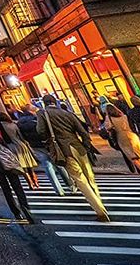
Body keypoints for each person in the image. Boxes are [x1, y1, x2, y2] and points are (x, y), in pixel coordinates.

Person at [37, 94, 109, 222]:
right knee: (89, 177)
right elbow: (83, 131)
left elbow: (41, 131)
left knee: (80, 180)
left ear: (45, 103)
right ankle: (99, 201)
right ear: (55, 102)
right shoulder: (67, 113)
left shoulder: (43, 114)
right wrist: (86, 146)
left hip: (63, 150)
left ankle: (100, 210)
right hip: (78, 147)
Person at [17, 103, 70, 195]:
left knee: (47, 167)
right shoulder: (37, 119)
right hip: (46, 143)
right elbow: (44, 130)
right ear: (32, 111)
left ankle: (58, 190)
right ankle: (69, 183)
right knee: (58, 163)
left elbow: (21, 136)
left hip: (34, 146)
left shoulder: (20, 122)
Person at [103, 103, 140, 181]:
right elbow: (133, 125)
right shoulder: (124, 116)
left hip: (122, 137)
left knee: (131, 156)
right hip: (132, 135)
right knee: (137, 154)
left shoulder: (109, 118)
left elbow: (108, 127)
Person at [0, 111, 40, 189]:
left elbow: (0, 137)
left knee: (23, 167)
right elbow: (20, 136)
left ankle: (30, 183)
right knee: (29, 165)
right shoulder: (13, 125)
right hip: (21, 145)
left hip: (11, 147)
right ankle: (36, 181)